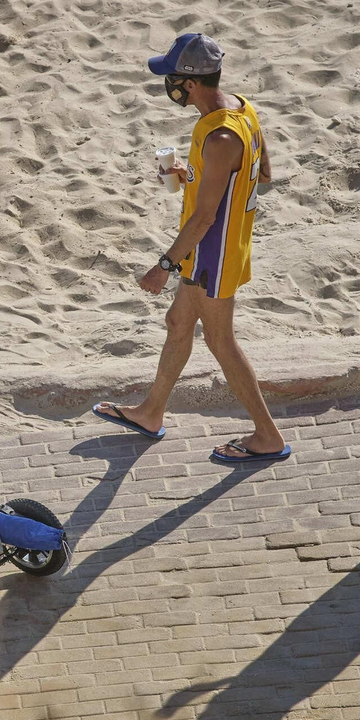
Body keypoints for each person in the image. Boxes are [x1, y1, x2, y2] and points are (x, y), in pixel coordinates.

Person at [92, 34, 289, 464]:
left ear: (189, 83)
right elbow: (263, 173)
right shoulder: (242, 109)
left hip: (211, 254)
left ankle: (268, 435)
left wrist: (163, 265)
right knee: (178, 321)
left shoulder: (219, 137)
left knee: (221, 342)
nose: (169, 86)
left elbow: (204, 219)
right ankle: (149, 412)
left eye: (172, 78)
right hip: (221, 248)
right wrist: (195, 174)